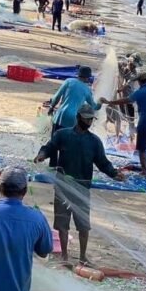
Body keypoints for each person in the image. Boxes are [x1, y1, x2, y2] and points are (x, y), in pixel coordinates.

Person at [35, 104, 125, 266]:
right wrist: (42, 155)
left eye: (91, 119)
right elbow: (49, 148)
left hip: (82, 188)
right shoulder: (63, 135)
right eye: (86, 119)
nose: (89, 122)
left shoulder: (94, 142)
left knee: (83, 225)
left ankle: (83, 256)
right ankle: (64, 255)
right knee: (62, 223)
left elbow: (103, 163)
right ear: (78, 118)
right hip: (62, 185)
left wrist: (114, 173)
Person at [109, 72, 146, 176]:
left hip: (144, 124)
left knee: (142, 149)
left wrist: (111, 102)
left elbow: (126, 100)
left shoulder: (139, 92)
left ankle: (144, 171)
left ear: (139, 82)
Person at [47, 65, 101, 165]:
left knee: (54, 143)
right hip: (74, 119)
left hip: (60, 115)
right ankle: (63, 167)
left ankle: (52, 166)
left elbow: (57, 96)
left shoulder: (68, 81)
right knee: (67, 145)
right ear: (88, 77)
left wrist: (51, 107)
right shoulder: (87, 90)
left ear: (78, 75)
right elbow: (93, 106)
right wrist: (100, 103)